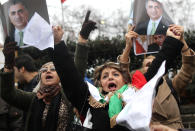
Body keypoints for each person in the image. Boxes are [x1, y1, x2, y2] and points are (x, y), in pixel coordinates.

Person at [119, 25, 195, 129]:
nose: (152, 67)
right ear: (142, 70)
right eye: (148, 65)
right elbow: (122, 74)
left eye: (154, 64)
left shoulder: (171, 85)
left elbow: (188, 68)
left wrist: (182, 41)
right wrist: (128, 46)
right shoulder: (135, 89)